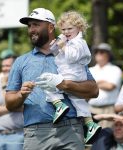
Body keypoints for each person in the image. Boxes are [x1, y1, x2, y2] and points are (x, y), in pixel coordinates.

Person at [5, 8, 99, 150]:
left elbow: (93, 90)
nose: (31, 29)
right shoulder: (21, 61)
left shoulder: (71, 54)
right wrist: (21, 95)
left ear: (50, 27)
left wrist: (64, 84)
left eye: (36, 25)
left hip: (70, 130)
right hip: (35, 133)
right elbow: (9, 103)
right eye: (29, 26)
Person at [36, 10, 101, 144]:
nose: (66, 32)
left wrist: (63, 46)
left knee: (46, 83)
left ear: (80, 28)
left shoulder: (79, 42)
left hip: (72, 74)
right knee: (78, 100)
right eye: (64, 29)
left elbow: (72, 57)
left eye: (70, 28)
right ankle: (90, 124)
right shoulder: (68, 40)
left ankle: (59, 104)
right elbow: (55, 53)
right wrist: (56, 45)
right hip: (71, 74)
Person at [0, 50, 24, 150]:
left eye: (8, 66)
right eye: (3, 66)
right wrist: (14, 107)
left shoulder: (24, 83)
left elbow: (26, 107)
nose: (5, 69)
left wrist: (4, 108)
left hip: (18, 136)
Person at [89, 43, 122, 128]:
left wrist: (94, 83)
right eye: (97, 51)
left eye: (102, 52)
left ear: (109, 54)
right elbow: (87, 87)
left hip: (108, 110)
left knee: (105, 138)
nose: (98, 53)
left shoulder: (115, 69)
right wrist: (101, 82)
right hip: (90, 109)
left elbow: (110, 86)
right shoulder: (90, 70)